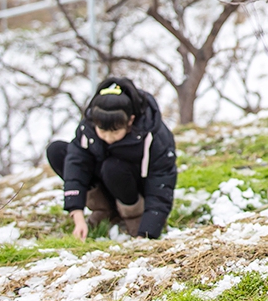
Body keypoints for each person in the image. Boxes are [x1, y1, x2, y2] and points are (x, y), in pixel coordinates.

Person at [47, 77, 177, 240]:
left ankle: (131, 215)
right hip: (105, 181)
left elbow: (161, 183)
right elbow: (76, 165)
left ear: (130, 120)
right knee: (57, 151)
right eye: (102, 131)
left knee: (113, 167)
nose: (108, 138)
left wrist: (147, 231)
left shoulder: (155, 136)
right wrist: (77, 213)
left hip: (133, 188)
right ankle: (104, 210)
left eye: (115, 132)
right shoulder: (88, 129)